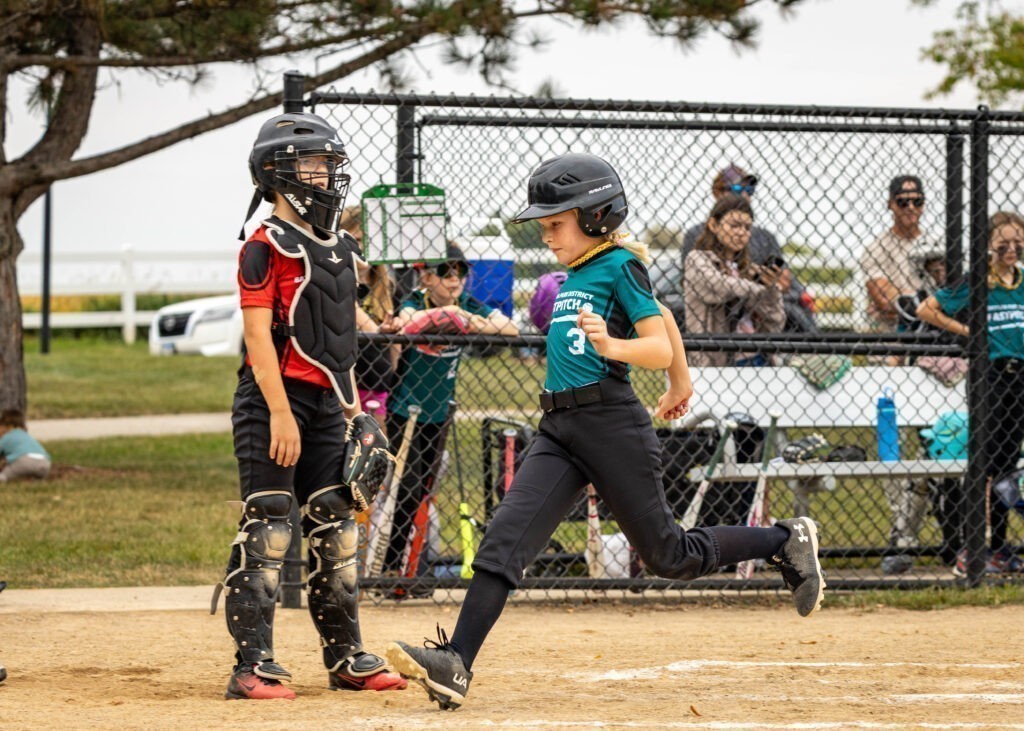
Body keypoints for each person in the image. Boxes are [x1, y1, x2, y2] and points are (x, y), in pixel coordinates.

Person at [384, 152, 826, 710]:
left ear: (595, 216)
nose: (545, 235)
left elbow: (657, 338)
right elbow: (665, 315)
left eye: (554, 224)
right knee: (505, 539)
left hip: (612, 426)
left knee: (670, 555)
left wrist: (623, 351)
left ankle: (786, 541)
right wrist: (680, 383)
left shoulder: (618, 264)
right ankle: (456, 664)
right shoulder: (580, 272)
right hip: (559, 428)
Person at [213, 110, 407, 700]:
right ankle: (253, 665)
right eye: (313, 163)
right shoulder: (262, 245)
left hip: (326, 405)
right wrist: (277, 412)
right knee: (271, 527)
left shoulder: (341, 248)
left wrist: (356, 415)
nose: (325, 175)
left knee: (337, 530)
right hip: (271, 401)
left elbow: (335, 346)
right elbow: (257, 341)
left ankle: (346, 658)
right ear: (277, 173)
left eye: (329, 164)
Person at [381, 244, 519, 593]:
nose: (454, 278)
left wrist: (463, 316)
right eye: (444, 271)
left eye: (459, 271)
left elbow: (509, 330)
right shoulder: (416, 298)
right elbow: (410, 321)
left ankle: (412, 568)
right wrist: (449, 317)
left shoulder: (468, 304)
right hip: (406, 412)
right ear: (426, 277)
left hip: (439, 414)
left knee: (425, 492)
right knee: (404, 490)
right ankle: (387, 567)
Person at [917, 210, 1024, 575]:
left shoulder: (1021, 280)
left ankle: (998, 548)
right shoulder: (979, 280)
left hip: (1019, 378)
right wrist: (968, 332)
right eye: (1003, 243)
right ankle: (969, 547)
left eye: (1017, 242)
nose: (1011, 249)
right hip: (990, 378)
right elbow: (927, 309)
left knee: (1008, 467)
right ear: (990, 245)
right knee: (982, 464)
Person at [681, 164, 816, 332]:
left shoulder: (764, 237)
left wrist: (771, 287)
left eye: (749, 189)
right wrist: (758, 288)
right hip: (716, 325)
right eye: (737, 188)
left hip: (752, 329)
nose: (744, 194)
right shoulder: (696, 236)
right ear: (718, 192)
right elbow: (708, 284)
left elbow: (781, 283)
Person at [683, 194, 786, 366]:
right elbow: (717, 287)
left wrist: (771, 289)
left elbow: (776, 322)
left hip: (755, 355)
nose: (741, 232)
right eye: (734, 225)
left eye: (747, 228)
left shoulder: (749, 270)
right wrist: (758, 289)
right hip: (716, 359)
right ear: (714, 225)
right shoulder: (697, 259)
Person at [859, 175, 941, 355]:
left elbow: (952, 295)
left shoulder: (936, 245)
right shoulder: (877, 248)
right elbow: (884, 301)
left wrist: (904, 301)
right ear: (891, 204)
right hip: (892, 338)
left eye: (917, 201)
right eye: (903, 202)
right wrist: (929, 304)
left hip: (933, 338)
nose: (911, 207)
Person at [0, 410, 51, 484]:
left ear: (4, 427)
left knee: (4, 475)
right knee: (30, 475)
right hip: (44, 463)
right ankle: (35, 482)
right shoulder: (27, 437)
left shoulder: (6, 437)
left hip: (24, 462)